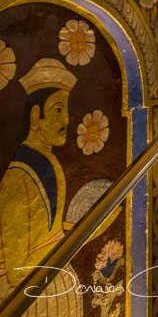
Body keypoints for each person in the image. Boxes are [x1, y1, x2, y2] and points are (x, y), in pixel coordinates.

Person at [0, 58, 84, 316]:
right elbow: (16, 273)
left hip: (55, 285)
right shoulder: (17, 178)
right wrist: (73, 237)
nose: (67, 119)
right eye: (58, 110)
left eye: (66, 110)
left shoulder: (52, 164)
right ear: (36, 116)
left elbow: (49, 234)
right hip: (27, 297)